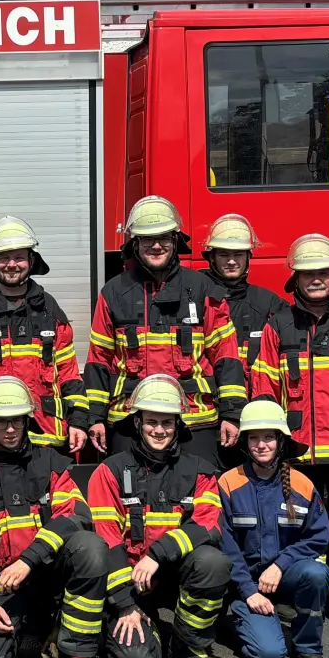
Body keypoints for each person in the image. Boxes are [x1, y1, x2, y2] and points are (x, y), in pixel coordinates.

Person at [0, 376, 107, 658]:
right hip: (2, 584)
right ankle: (19, 633)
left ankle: (77, 655)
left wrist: (29, 560)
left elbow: (76, 516)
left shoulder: (50, 461)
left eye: (17, 421)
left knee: (90, 546)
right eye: (1, 422)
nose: (10, 429)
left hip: (49, 576)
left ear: (27, 421)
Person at [250, 234, 329, 636]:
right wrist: (270, 443)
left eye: (322, 272)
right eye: (307, 274)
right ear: (296, 280)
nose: (316, 279)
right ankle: (304, 595)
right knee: (295, 528)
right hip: (296, 453)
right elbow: (264, 387)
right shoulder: (280, 325)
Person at [83, 195, 246, 468]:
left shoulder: (203, 289)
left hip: (195, 419)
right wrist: (96, 418)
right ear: (135, 243)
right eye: (148, 239)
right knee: (130, 492)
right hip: (130, 419)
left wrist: (232, 414)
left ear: (175, 240)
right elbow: (99, 360)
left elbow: (226, 356)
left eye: (163, 238)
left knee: (202, 490)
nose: (156, 246)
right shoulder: (113, 292)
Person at [86, 375, 232, 658]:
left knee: (213, 561)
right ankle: (131, 625)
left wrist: (157, 554)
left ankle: (188, 645)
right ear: (137, 422)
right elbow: (107, 540)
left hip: (172, 573)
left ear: (178, 425)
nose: (159, 430)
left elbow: (208, 525)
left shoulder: (200, 470)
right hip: (128, 579)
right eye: (151, 422)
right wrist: (125, 604)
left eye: (167, 422)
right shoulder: (110, 471)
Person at [0, 217, 89, 458]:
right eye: (4, 258)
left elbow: (68, 373)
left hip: (45, 439)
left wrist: (79, 421)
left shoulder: (51, 310)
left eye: (19, 257)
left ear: (32, 260)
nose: (12, 265)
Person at [217, 400, 329, 658]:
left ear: (280, 441)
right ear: (244, 442)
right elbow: (225, 545)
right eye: (253, 438)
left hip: (284, 576)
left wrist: (280, 566)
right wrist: (248, 591)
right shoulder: (228, 483)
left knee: (316, 574)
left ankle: (308, 645)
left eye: (268, 437)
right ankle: (234, 622)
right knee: (269, 655)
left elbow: (319, 536)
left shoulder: (302, 485)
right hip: (245, 583)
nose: (261, 445)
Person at [202, 214, 288, 471]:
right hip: (207, 418)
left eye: (238, 254)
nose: (231, 261)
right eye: (224, 254)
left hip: (254, 421)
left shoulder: (269, 304)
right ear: (211, 257)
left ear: (249, 257)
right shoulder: (196, 298)